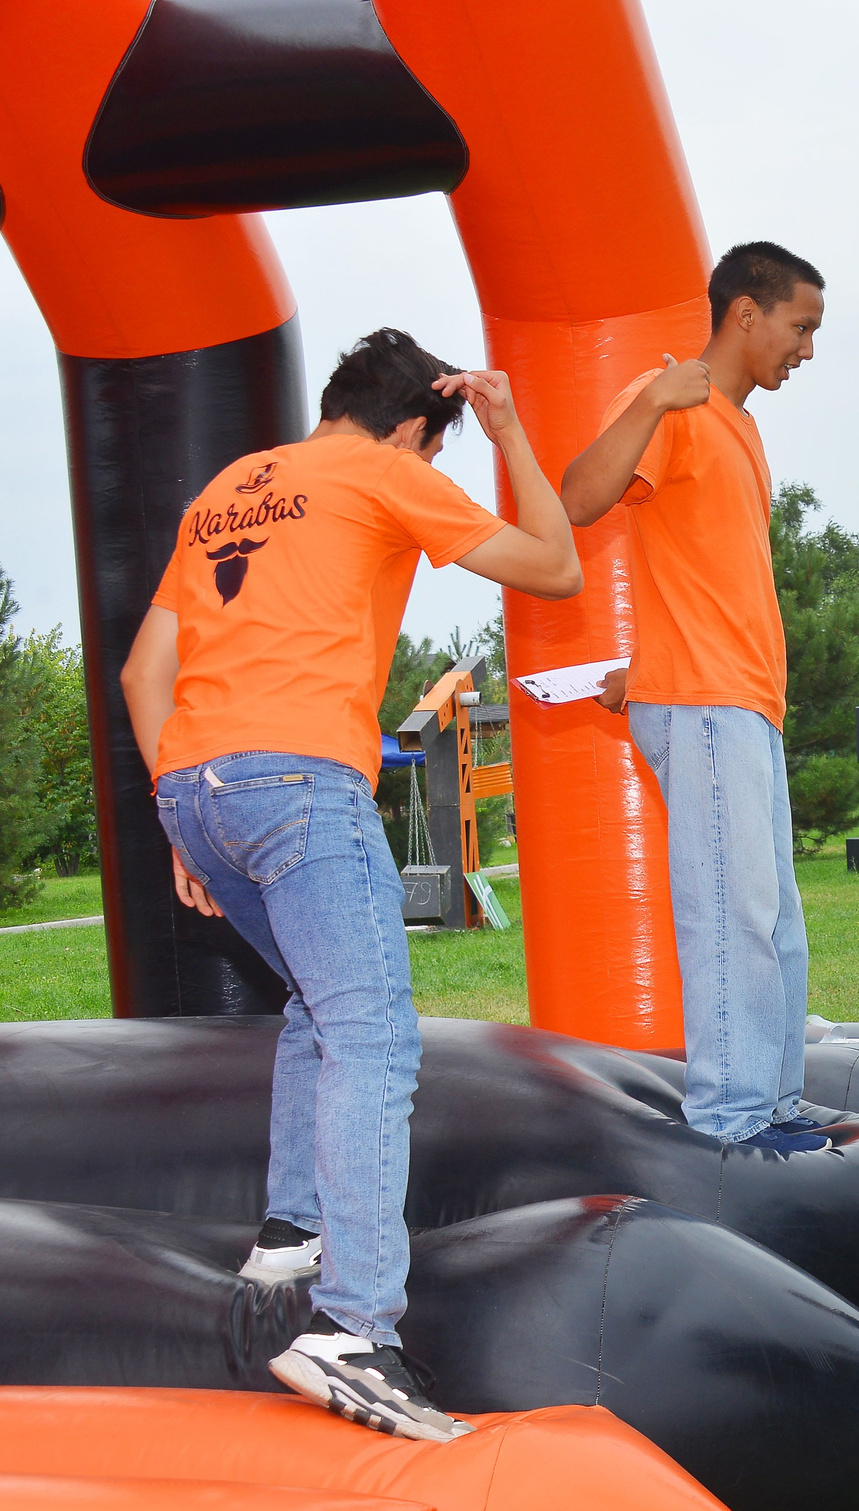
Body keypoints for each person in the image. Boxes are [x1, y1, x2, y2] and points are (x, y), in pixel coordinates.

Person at [121, 329, 583, 1440]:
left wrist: (184, 817)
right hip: (296, 782)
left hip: (196, 789)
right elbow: (554, 566)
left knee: (316, 1009)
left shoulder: (229, 488)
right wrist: (511, 425)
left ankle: (292, 1229)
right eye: (438, 449)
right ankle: (353, 1329)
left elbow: (147, 671)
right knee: (374, 1036)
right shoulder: (385, 472)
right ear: (419, 427)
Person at [562, 242, 832, 1154]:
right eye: (800, 327)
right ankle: (730, 1120)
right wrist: (648, 399)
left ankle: (777, 1099)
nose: (805, 349)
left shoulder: (740, 429)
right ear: (745, 313)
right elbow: (578, 498)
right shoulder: (671, 398)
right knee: (731, 913)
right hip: (709, 704)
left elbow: (698, 575)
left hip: (740, 702)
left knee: (775, 917)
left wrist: (645, 669)